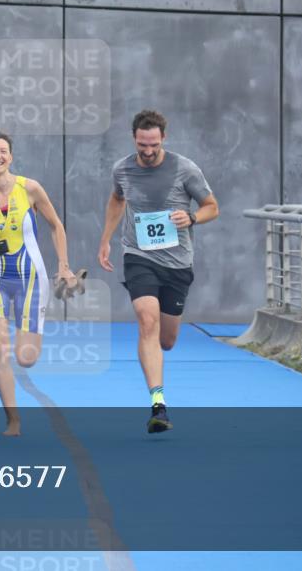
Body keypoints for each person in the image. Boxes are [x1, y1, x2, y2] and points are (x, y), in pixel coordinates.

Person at [97, 109, 219, 433]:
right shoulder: (122, 169)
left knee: (167, 340)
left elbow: (212, 207)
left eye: (153, 145)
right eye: (141, 145)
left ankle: (159, 380)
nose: (148, 152)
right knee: (146, 318)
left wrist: (192, 218)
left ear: (163, 138)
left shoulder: (185, 169)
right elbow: (116, 200)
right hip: (139, 255)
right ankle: (158, 403)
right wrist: (106, 239)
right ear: (134, 139)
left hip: (177, 262)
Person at [0, 125, 77, 436]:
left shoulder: (30, 189)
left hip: (31, 278)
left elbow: (56, 226)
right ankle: (12, 419)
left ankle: (21, 343)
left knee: (26, 358)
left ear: (10, 156)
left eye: (3, 152)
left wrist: (64, 268)